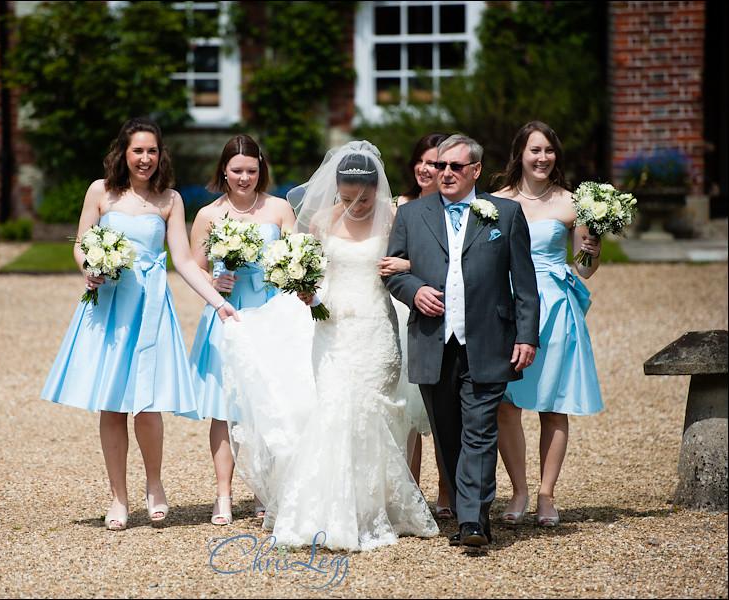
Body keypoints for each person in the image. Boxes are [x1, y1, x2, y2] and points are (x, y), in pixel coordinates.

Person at [221, 140, 439, 552]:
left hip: (376, 329)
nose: (357, 205)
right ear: (335, 189)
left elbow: (427, 261)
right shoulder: (319, 220)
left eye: (365, 197)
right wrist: (306, 288)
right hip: (332, 330)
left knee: (374, 412)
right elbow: (308, 266)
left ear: (379, 190)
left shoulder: (394, 217)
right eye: (347, 197)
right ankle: (331, 511)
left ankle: (372, 508)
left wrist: (406, 264)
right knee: (336, 409)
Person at [40, 117, 238, 531]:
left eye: (151, 151)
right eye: (137, 151)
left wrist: (218, 301)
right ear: (123, 154)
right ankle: (118, 498)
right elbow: (80, 243)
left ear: (159, 154)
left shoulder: (170, 200)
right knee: (112, 404)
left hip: (150, 307)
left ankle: (154, 484)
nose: (144, 159)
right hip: (108, 306)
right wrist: (88, 267)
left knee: (147, 406)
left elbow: (183, 260)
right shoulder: (101, 191)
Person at [383, 133, 540, 549]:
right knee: (448, 434)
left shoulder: (504, 214)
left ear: (474, 171)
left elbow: (524, 284)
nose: (445, 173)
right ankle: (466, 502)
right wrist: (414, 289)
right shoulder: (412, 216)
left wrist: (527, 336)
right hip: (433, 341)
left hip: (489, 339)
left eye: (455, 166)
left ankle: (473, 520)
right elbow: (392, 273)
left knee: (480, 429)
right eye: (440, 166)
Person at [491, 121, 603, 528]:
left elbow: (585, 270)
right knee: (506, 403)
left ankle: (546, 493)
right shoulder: (495, 201)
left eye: (549, 151)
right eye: (535, 150)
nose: (542, 158)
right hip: (508, 307)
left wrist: (592, 249)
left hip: (556, 307)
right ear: (520, 153)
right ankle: (518, 489)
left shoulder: (571, 204)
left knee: (553, 406)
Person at [187, 135, 296, 526]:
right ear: (224, 171)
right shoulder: (208, 214)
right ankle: (223, 495)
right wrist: (216, 282)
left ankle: (265, 490)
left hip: (271, 312)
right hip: (227, 313)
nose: (244, 178)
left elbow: (298, 258)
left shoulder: (280, 209)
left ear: (260, 168)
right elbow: (193, 265)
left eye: (251, 170)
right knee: (225, 408)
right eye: (237, 171)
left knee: (270, 403)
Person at [378, 132, 454, 519]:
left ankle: (447, 490)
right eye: (422, 161)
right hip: (403, 308)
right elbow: (386, 262)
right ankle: (412, 492)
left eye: (436, 163)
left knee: (438, 412)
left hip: (444, 309)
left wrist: (411, 265)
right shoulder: (397, 207)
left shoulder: (454, 207)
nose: (427, 169)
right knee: (408, 412)